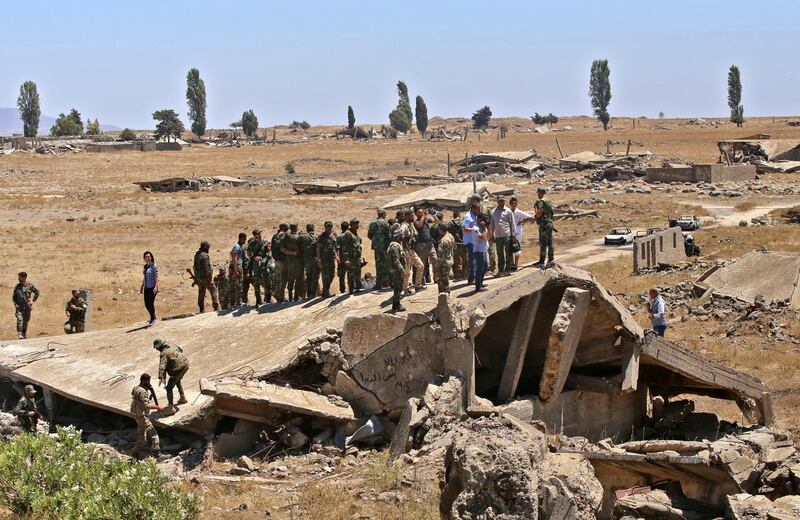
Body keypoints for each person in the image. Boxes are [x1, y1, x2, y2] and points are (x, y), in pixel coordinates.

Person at [130, 373, 163, 459]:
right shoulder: (142, 391)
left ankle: (135, 454)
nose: (149, 382)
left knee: (142, 437)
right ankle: (157, 453)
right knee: (154, 434)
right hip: (142, 416)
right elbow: (146, 405)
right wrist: (157, 407)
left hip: (136, 414)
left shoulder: (136, 388)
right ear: (145, 381)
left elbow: (134, 395)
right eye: (148, 381)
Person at [154, 339, 189, 409]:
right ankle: (182, 398)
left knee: (169, 388)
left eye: (156, 348)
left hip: (177, 370)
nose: (157, 349)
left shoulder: (163, 353)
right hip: (185, 364)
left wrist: (161, 377)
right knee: (177, 380)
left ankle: (170, 407)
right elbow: (180, 350)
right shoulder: (171, 344)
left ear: (159, 347)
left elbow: (162, 366)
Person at [490, 195, 517, 275]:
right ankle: (500, 270)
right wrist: (492, 235)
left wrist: (513, 235)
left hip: (507, 235)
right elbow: (492, 224)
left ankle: (507, 270)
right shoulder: (493, 212)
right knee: (499, 253)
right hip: (498, 236)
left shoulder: (508, 211)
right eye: (500, 201)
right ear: (497, 202)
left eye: (503, 201)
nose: (502, 202)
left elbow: (512, 224)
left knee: (508, 252)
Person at [401, 210, 424, 292]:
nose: (413, 217)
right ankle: (405, 288)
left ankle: (418, 285)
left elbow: (415, 234)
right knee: (407, 272)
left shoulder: (411, 224)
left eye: (413, 216)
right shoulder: (404, 226)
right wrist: (404, 248)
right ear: (406, 217)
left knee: (420, 266)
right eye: (411, 216)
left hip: (412, 250)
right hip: (406, 250)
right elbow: (401, 237)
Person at [367, 209, 391, 291]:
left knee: (378, 265)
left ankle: (378, 284)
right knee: (387, 264)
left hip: (377, 247)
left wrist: (376, 241)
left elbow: (369, 235)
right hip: (385, 246)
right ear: (383, 214)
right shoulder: (385, 222)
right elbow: (389, 235)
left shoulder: (372, 223)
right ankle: (388, 282)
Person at [414, 206, 438, 285]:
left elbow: (436, 221)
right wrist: (424, 215)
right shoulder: (416, 221)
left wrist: (433, 214)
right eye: (419, 212)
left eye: (422, 212)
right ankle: (421, 281)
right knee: (422, 263)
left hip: (429, 243)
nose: (421, 213)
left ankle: (436, 278)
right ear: (416, 214)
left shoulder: (426, 220)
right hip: (421, 245)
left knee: (435, 259)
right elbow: (420, 225)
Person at [193, 241, 220, 313]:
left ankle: (201, 309)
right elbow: (207, 269)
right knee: (213, 290)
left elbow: (195, 266)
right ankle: (216, 308)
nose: (209, 249)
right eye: (208, 247)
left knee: (201, 292)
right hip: (205, 277)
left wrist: (196, 277)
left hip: (199, 277)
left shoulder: (197, 255)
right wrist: (210, 279)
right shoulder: (205, 256)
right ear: (205, 247)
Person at [280, 224, 305, 301]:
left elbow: (282, 248)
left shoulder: (286, 237)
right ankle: (296, 297)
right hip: (299, 262)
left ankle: (290, 297)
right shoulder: (299, 237)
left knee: (290, 278)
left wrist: (290, 252)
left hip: (289, 262)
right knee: (298, 279)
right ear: (296, 229)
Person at [13, 272, 40, 340]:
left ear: (24, 277)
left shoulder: (30, 285)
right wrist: (15, 304)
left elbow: (37, 292)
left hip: (27, 306)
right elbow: (14, 297)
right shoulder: (17, 286)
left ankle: (24, 333)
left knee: (26, 320)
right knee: (20, 320)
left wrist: (32, 301)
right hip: (19, 306)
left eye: (20, 277)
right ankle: (20, 333)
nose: (18, 278)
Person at [509, 196, 534, 269]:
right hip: (510, 233)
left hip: (517, 233)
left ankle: (515, 265)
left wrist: (522, 221)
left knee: (517, 249)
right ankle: (511, 264)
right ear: (510, 204)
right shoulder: (508, 212)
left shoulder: (519, 212)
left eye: (515, 204)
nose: (514, 205)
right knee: (509, 249)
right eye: (513, 203)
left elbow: (530, 217)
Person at [533, 187, 555, 268]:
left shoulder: (541, 202)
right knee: (550, 242)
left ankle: (542, 261)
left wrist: (535, 209)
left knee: (543, 243)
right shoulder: (548, 200)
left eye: (538, 193)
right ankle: (551, 259)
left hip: (544, 224)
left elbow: (538, 214)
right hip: (549, 223)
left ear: (539, 193)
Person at [340, 218, 363, 294]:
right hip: (351, 258)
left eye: (357, 223)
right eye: (356, 224)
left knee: (357, 273)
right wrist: (346, 259)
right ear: (352, 225)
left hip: (356, 258)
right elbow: (345, 247)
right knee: (350, 274)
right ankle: (351, 289)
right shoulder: (348, 234)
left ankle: (357, 288)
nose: (357, 225)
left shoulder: (355, 233)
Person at [316, 221, 338, 298]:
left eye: (330, 226)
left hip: (331, 259)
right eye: (327, 227)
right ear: (325, 227)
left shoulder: (334, 235)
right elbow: (318, 249)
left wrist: (337, 256)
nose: (328, 228)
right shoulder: (321, 237)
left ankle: (326, 290)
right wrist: (319, 261)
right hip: (324, 260)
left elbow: (335, 247)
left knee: (332, 275)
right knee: (325, 276)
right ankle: (326, 291)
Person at [461, 199, 481, 284]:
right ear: (473, 208)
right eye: (478, 209)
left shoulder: (475, 216)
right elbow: (464, 228)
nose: (479, 211)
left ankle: (473, 277)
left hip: (475, 241)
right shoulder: (468, 216)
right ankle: (471, 279)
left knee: (476, 260)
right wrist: (474, 230)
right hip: (470, 242)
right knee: (473, 260)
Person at [387, 227, 407, 313]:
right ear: (397, 236)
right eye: (400, 236)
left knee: (398, 288)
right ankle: (396, 305)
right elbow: (396, 260)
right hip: (396, 271)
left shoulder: (396, 244)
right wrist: (402, 271)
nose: (402, 237)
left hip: (396, 270)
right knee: (397, 288)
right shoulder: (395, 246)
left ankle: (396, 305)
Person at [244, 229, 266, 305]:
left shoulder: (264, 242)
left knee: (266, 281)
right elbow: (248, 253)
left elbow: (267, 252)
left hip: (264, 264)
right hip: (255, 265)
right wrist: (254, 258)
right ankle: (258, 300)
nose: (260, 235)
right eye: (258, 234)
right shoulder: (251, 243)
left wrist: (263, 257)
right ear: (254, 235)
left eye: (260, 233)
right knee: (256, 282)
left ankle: (267, 299)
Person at [139, 252, 158, 326]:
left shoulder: (154, 266)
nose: (147, 258)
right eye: (146, 257)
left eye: (149, 257)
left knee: (150, 303)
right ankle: (153, 316)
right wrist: (142, 286)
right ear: (144, 258)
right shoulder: (145, 266)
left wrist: (156, 287)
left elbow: (156, 277)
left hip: (152, 288)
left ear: (151, 257)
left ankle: (152, 318)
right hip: (146, 287)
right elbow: (145, 277)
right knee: (146, 304)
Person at [435, 222, 455, 294]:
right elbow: (454, 247)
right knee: (446, 279)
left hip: (443, 263)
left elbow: (440, 254)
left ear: (440, 229)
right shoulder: (450, 236)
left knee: (443, 281)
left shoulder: (442, 241)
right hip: (450, 260)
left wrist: (437, 266)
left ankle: (444, 298)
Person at [472, 216, 490, 292]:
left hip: (484, 251)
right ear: (478, 220)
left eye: (483, 220)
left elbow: (489, 235)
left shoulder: (484, 228)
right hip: (478, 251)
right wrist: (484, 229)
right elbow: (482, 237)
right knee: (479, 269)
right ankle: (478, 287)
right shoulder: (475, 229)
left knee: (484, 268)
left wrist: (488, 227)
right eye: (481, 220)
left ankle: (480, 283)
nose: (482, 222)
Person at [300, 224, 319, 299]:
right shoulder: (316, 237)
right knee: (315, 277)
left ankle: (308, 293)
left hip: (306, 260)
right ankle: (313, 293)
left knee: (308, 277)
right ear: (313, 229)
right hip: (314, 260)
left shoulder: (303, 237)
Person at [271, 223, 289, 303]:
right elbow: (281, 247)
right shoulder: (282, 236)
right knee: (283, 278)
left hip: (276, 261)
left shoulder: (275, 236)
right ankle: (281, 297)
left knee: (278, 278)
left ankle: (277, 294)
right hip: (282, 260)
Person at [448, 211, 468, 279]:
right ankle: (465, 274)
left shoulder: (450, 224)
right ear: (459, 215)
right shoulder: (463, 223)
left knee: (455, 260)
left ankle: (457, 275)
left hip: (455, 244)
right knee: (465, 260)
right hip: (463, 243)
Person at [229, 233, 247, 307]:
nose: (245, 241)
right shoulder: (237, 247)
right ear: (240, 238)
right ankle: (238, 303)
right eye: (244, 239)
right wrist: (236, 270)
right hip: (237, 266)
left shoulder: (236, 246)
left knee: (233, 284)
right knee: (239, 284)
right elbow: (235, 257)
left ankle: (233, 303)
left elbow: (231, 254)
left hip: (233, 266)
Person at [336, 221, 349, 295]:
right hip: (349, 258)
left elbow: (337, 248)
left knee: (341, 276)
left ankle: (342, 290)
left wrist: (337, 256)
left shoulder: (339, 237)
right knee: (350, 274)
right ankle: (351, 288)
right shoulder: (350, 235)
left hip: (342, 258)